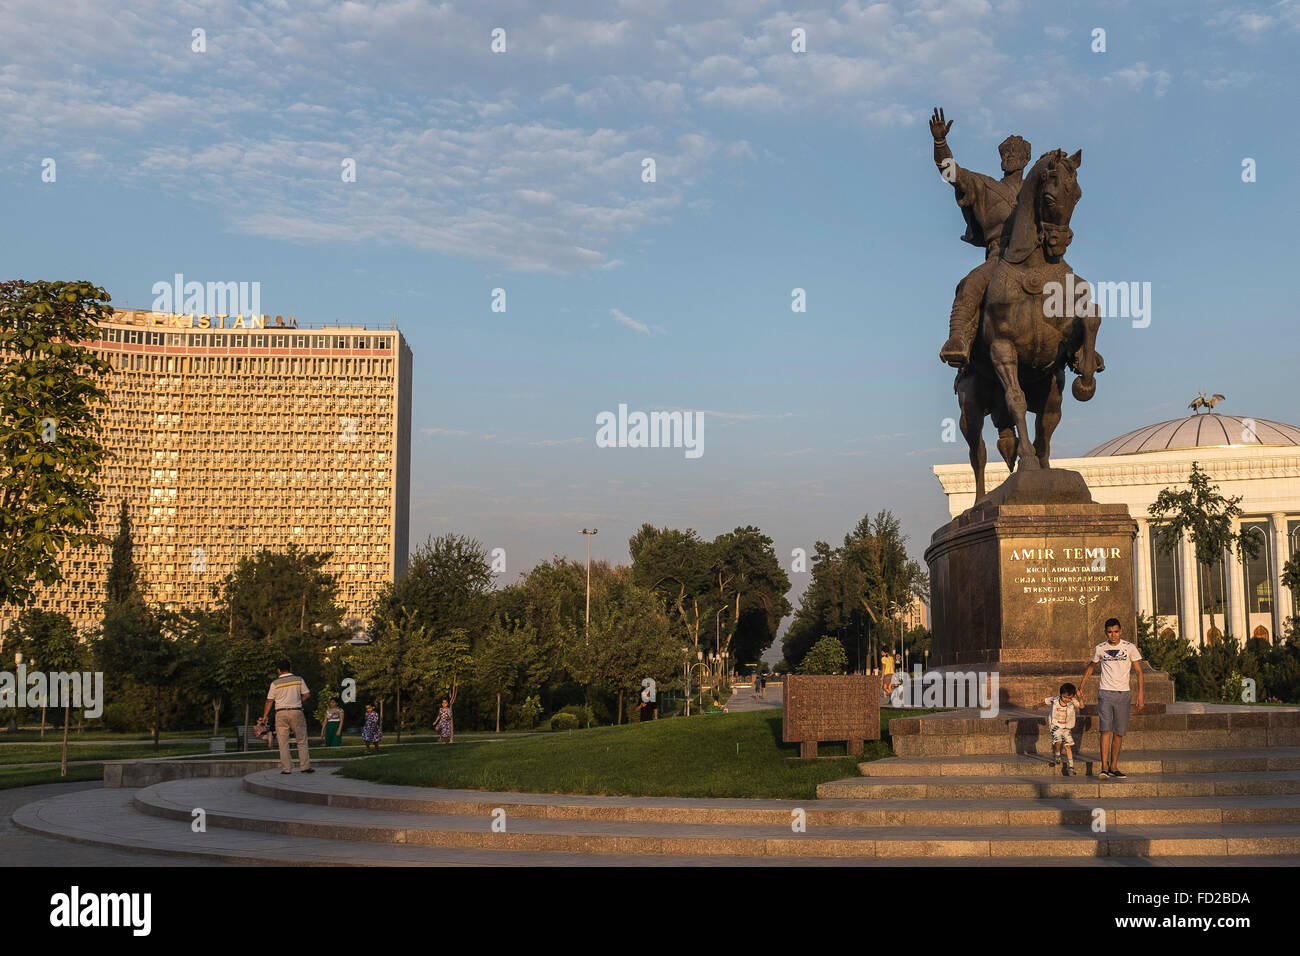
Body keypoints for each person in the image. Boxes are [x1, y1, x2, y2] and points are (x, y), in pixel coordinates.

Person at [929, 106, 1032, 367]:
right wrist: (940, 142)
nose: (1011, 158)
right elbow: (950, 173)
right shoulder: (986, 186)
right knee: (970, 284)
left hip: (1035, 257)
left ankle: (1080, 348)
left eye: (1017, 154)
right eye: (1006, 154)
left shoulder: (1035, 194)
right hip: (999, 259)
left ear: (1026, 159)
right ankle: (958, 339)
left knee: (1074, 288)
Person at [1079, 618, 1145, 779]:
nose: (1113, 635)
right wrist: (1081, 686)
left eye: (1116, 631)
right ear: (1105, 633)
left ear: (1120, 631)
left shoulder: (1129, 647)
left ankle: (1114, 766)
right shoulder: (1100, 648)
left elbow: (1139, 671)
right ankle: (1104, 767)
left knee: (1119, 732)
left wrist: (1141, 694)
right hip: (1105, 693)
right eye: (1110, 632)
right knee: (1105, 729)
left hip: (1124, 693)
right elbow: (1091, 666)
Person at [260, 659, 313, 775]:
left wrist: (265, 715)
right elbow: (307, 694)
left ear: (278, 670)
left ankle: (286, 769)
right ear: (290, 668)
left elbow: (269, 701)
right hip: (296, 712)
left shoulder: (275, 683)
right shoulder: (298, 679)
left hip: (280, 713)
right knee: (301, 740)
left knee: (283, 742)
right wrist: (298, 701)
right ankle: (305, 766)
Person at [1044, 683, 1083, 775]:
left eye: (1069, 698)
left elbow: (1081, 706)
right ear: (1061, 694)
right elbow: (1045, 701)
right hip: (1055, 725)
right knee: (1058, 742)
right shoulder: (1055, 700)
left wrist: (1080, 698)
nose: (1067, 700)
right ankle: (1057, 754)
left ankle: (1071, 767)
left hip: (1066, 727)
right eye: (1065, 697)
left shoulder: (1072, 702)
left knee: (1068, 746)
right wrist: (1037, 706)